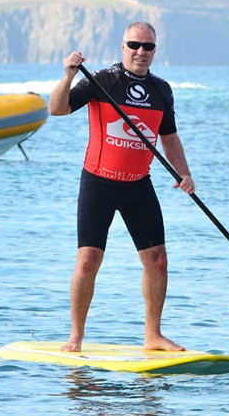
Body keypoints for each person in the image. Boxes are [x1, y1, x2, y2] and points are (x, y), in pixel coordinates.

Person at [49, 21, 195, 353]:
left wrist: (183, 174)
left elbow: (168, 138)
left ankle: (153, 336)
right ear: (123, 46)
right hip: (99, 183)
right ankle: (75, 336)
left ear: (155, 51)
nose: (141, 52)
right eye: (134, 45)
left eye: (148, 47)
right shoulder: (102, 81)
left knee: (158, 261)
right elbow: (57, 109)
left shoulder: (161, 91)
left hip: (137, 186)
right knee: (88, 260)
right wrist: (69, 74)